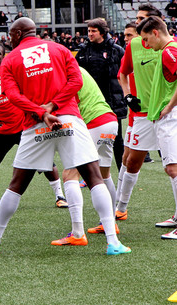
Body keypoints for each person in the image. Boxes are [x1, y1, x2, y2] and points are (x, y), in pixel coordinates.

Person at [0, 17, 130, 256]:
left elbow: (11, 95)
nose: (9, 39)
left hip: (35, 125)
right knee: (94, 178)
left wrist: (42, 112)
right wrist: (54, 105)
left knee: (16, 185)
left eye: (11, 34)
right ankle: (113, 242)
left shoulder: (10, 60)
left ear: (18, 34)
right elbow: (76, 81)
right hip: (70, 119)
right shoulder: (59, 49)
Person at [0, 42, 67, 212]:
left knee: (45, 162)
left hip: (25, 126)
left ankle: (60, 196)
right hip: (2, 131)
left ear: (3, 56)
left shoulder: (12, 72)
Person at [51, 67, 119, 245]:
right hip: (109, 121)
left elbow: (67, 105)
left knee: (69, 173)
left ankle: (77, 232)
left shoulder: (64, 73)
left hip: (93, 122)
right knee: (104, 175)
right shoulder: (78, 69)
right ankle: (110, 223)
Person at [115, 5, 163, 229]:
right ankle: (120, 207)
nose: (137, 23)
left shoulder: (170, 46)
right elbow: (122, 73)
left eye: (142, 19)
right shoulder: (134, 44)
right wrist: (127, 96)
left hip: (168, 113)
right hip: (141, 113)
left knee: (171, 167)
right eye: (136, 19)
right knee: (130, 160)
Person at [136, 16, 177, 239]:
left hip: (171, 118)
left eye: (146, 39)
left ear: (155, 33)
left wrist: (169, 106)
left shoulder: (170, 51)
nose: (145, 45)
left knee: (173, 168)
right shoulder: (168, 51)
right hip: (167, 117)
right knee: (172, 169)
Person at [76, 18, 127, 172]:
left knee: (117, 140)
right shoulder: (84, 51)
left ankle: (122, 174)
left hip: (113, 101)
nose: (89, 34)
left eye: (93, 31)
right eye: (88, 31)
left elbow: (126, 74)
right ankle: (91, 175)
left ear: (102, 32)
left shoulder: (117, 50)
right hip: (91, 102)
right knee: (88, 139)